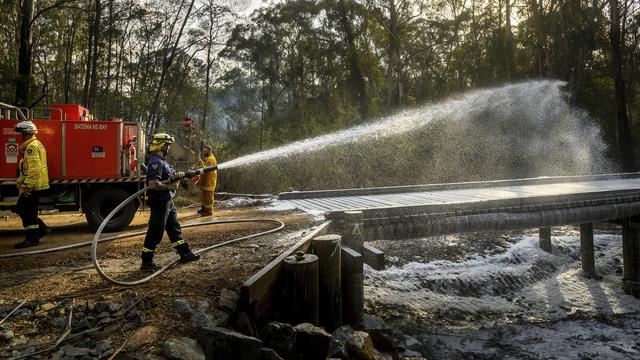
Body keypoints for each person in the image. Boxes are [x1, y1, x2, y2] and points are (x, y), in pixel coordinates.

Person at [140, 133, 200, 271]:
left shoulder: (162, 161)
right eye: (167, 145)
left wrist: (183, 177)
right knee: (156, 231)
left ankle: (184, 253)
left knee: (174, 228)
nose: (169, 148)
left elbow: (169, 177)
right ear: (162, 145)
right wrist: (170, 186)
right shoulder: (156, 161)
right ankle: (146, 261)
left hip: (167, 200)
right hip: (160, 202)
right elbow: (154, 184)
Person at [13, 121, 51, 249]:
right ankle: (40, 231)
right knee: (26, 210)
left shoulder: (30, 147)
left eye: (21, 133)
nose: (20, 136)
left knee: (24, 210)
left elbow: (34, 169)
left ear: (26, 134)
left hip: (33, 186)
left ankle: (33, 238)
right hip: (36, 185)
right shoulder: (35, 144)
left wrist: (27, 186)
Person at [197, 145, 217, 216]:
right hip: (205, 181)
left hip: (209, 181)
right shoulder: (207, 158)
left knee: (208, 197)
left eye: (205, 151)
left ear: (209, 151)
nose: (204, 152)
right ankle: (204, 208)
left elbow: (207, 169)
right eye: (203, 151)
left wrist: (201, 163)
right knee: (203, 196)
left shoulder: (211, 159)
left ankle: (208, 211)